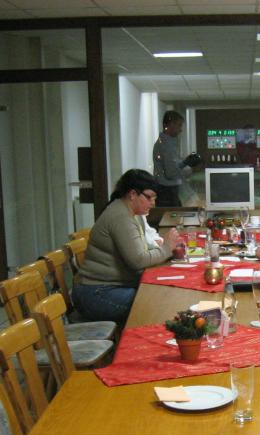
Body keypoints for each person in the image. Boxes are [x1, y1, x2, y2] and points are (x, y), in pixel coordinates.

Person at [72, 169, 179, 324]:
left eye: (154, 198)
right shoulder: (121, 217)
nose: (153, 203)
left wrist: (166, 247)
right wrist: (167, 248)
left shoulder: (131, 214)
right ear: (132, 194)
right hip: (96, 293)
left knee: (160, 294)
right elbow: (138, 260)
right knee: (153, 303)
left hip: (109, 287)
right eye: (149, 197)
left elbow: (141, 250)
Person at [152, 110, 201, 207]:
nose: (180, 129)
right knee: (173, 215)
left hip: (168, 190)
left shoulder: (168, 143)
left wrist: (185, 162)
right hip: (167, 192)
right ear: (171, 124)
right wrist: (187, 164)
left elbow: (173, 165)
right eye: (179, 125)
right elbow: (171, 173)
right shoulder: (166, 145)